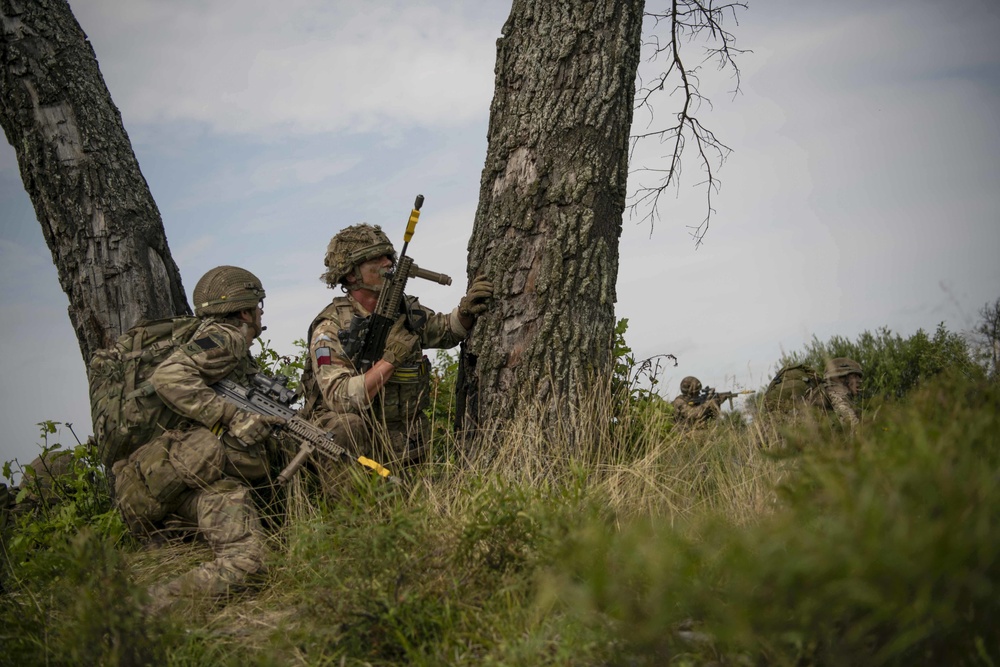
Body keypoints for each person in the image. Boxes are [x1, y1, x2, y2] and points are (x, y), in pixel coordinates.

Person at [90, 265, 285, 610]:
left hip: (150, 484)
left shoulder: (193, 338)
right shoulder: (228, 337)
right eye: (258, 307)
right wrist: (232, 416)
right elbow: (170, 376)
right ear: (245, 311)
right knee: (248, 563)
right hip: (181, 480)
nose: (260, 314)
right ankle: (141, 611)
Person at [299, 224, 492, 479]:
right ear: (351, 275)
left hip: (400, 437)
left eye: (389, 256)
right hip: (350, 444)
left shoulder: (404, 310)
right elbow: (339, 397)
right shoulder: (330, 327)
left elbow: (446, 331)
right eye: (375, 258)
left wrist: (466, 311)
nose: (388, 262)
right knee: (346, 425)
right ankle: (354, 515)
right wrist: (389, 361)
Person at [763, 357, 863, 428]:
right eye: (855, 376)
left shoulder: (821, 391)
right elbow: (850, 421)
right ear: (842, 377)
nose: (859, 381)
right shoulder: (835, 390)